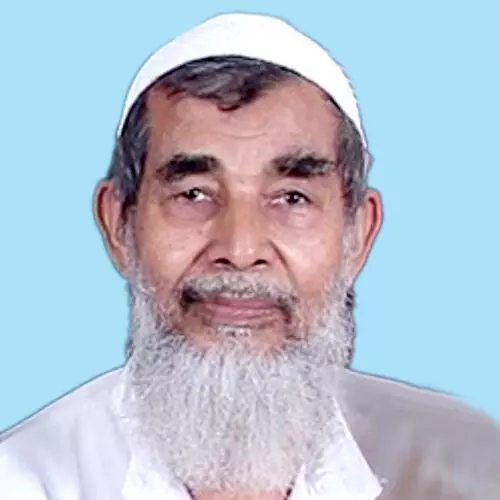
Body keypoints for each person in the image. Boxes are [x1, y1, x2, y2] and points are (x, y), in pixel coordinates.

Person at [1, 12, 499, 500]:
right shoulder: (22, 481)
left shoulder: (470, 473)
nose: (240, 251)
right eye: (193, 194)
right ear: (119, 225)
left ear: (358, 236)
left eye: (292, 198)